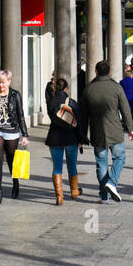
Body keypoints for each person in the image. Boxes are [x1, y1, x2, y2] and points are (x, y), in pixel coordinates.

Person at [79, 60, 133, 202]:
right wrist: (130, 129)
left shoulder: (88, 89)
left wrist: (82, 135)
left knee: (101, 163)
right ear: (109, 72)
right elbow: (125, 109)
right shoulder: (116, 87)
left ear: (96, 72)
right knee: (120, 158)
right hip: (115, 131)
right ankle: (112, 182)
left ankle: (104, 196)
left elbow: (83, 116)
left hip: (97, 132)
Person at [0, 69, 28, 205]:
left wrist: (25, 134)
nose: (0, 85)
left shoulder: (15, 95)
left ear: (9, 81)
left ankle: (15, 182)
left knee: (11, 158)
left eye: (3, 82)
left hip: (12, 131)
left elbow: (20, 115)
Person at [45, 77, 82, 205]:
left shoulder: (51, 102)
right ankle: (74, 191)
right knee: (72, 166)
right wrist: (81, 139)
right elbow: (79, 123)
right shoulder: (72, 102)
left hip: (54, 138)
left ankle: (59, 197)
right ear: (66, 89)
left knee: (57, 168)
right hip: (71, 138)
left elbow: (52, 116)